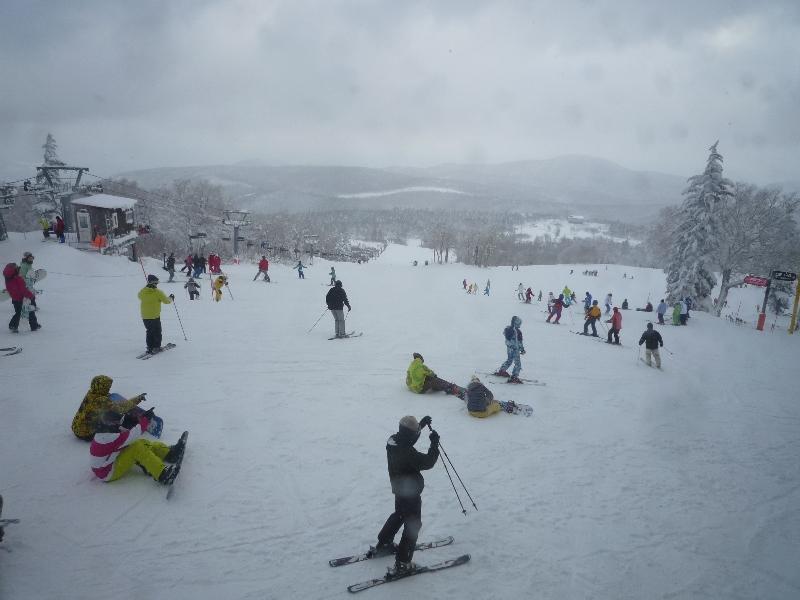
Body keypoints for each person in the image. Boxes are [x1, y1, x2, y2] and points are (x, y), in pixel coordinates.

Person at [373, 415, 439, 576]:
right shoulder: (408, 453)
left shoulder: (394, 441)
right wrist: (434, 444)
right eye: (415, 431)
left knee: (400, 514)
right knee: (413, 524)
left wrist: (421, 425)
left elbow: (408, 439)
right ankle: (403, 562)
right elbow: (428, 462)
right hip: (410, 493)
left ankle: (384, 544)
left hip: (399, 488)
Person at [90, 409, 185, 486]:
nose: (116, 424)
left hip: (108, 462)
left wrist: (139, 418)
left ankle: (168, 454)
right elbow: (133, 434)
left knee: (139, 442)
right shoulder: (107, 438)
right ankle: (163, 475)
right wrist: (145, 420)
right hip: (107, 472)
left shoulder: (105, 431)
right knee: (136, 447)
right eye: (113, 422)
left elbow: (123, 428)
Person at [71, 375, 145, 441]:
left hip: (76, 428)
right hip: (86, 434)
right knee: (115, 427)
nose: (109, 389)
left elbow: (103, 403)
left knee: (108, 412)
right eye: (107, 387)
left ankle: (116, 420)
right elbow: (121, 408)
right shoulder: (102, 400)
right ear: (102, 387)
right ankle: (128, 429)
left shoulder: (91, 393)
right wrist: (138, 399)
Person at [137, 274, 173, 354]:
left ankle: (150, 347)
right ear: (153, 283)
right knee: (157, 332)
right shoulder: (158, 292)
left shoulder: (142, 292)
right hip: (154, 316)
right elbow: (166, 301)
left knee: (149, 331)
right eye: (156, 283)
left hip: (145, 316)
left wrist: (146, 288)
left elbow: (139, 296)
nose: (157, 284)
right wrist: (171, 298)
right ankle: (156, 347)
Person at [4, 263, 40, 333]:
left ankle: (13, 325)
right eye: (17, 269)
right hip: (22, 298)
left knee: (18, 312)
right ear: (14, 270)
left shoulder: (8, 279)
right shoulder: (18, 279)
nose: (19, 270)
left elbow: (13, 289)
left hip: (15, 299)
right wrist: (31, 296)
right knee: (29, 311)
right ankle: (33, 325)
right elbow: (23, 290)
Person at [494, 316, 525, 384]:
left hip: (509, 349)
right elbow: (519, 342)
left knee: (509, 360)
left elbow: (510, 340)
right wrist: (521, 349)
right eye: (519, 323)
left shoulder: (509, 329)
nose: (519, 325)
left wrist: (520, 348)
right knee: (517, 363)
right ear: (516, 323)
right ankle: (514, 377)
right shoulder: (515, 331)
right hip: (514, 349)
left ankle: (502, 371)